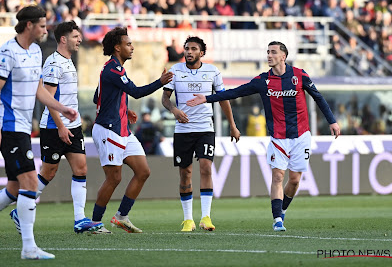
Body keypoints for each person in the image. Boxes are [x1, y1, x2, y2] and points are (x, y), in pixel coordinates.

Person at [187, 41, 340, 232]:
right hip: (278, 137)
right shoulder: (262, 80)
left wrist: (332, 121)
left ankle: (282, 210)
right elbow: (236, 92)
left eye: (273, 52)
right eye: (268, 52)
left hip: (301, 136)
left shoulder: (300, 76)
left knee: (294, 180)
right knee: (278, 176)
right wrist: (207, 98)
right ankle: (277, 220)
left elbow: (318, 97)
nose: (269, 55)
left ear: (283, 56)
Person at [0, 6, 77, 260]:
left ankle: (29, 247)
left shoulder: (36, 51)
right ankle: (29, 248)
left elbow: (39, 90)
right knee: (30, 182)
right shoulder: (7, 52)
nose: (45, 30)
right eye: (41, 25)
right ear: (29, 25)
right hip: (8, 127)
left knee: (14, 190)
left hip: (22, 128)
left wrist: (62, 108)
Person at [9, 21, 103, 235]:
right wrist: (60, 126)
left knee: (81, 169)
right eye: (75, 36)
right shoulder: (53, 64)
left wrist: (72, 123)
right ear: (63, 39)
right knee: (48, 173)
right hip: (53, 127)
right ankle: (20, 210)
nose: (79, 40)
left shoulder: (69, 62)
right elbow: (48, 100)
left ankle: (80, 220)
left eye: (79, 36)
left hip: (74, 126)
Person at [91, 27, 173, 233]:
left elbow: (97, 97)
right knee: (114, 178)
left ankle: (121, 216)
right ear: (117, 48)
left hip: (122, 129)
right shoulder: (113, 69)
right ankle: (94, 223)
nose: (132, 47)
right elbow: (136, 92)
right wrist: (160, 82)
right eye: (128, 44)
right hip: (108, 130)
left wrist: (124, 109)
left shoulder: (112, 68)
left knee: (143, 171)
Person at [162, 36, 240, 232]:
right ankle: (188, 219)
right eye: (187, 48)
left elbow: (223, 99)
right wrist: (174, 110)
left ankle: (206, 217)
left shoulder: (212, 71)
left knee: (206, 168)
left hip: (205, 128)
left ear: (201, 53)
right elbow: (165, 99)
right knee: (185, 173)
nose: (189, 52)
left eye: (193, 49)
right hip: (183, 130)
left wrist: (232, 125)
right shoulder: (175, 70)